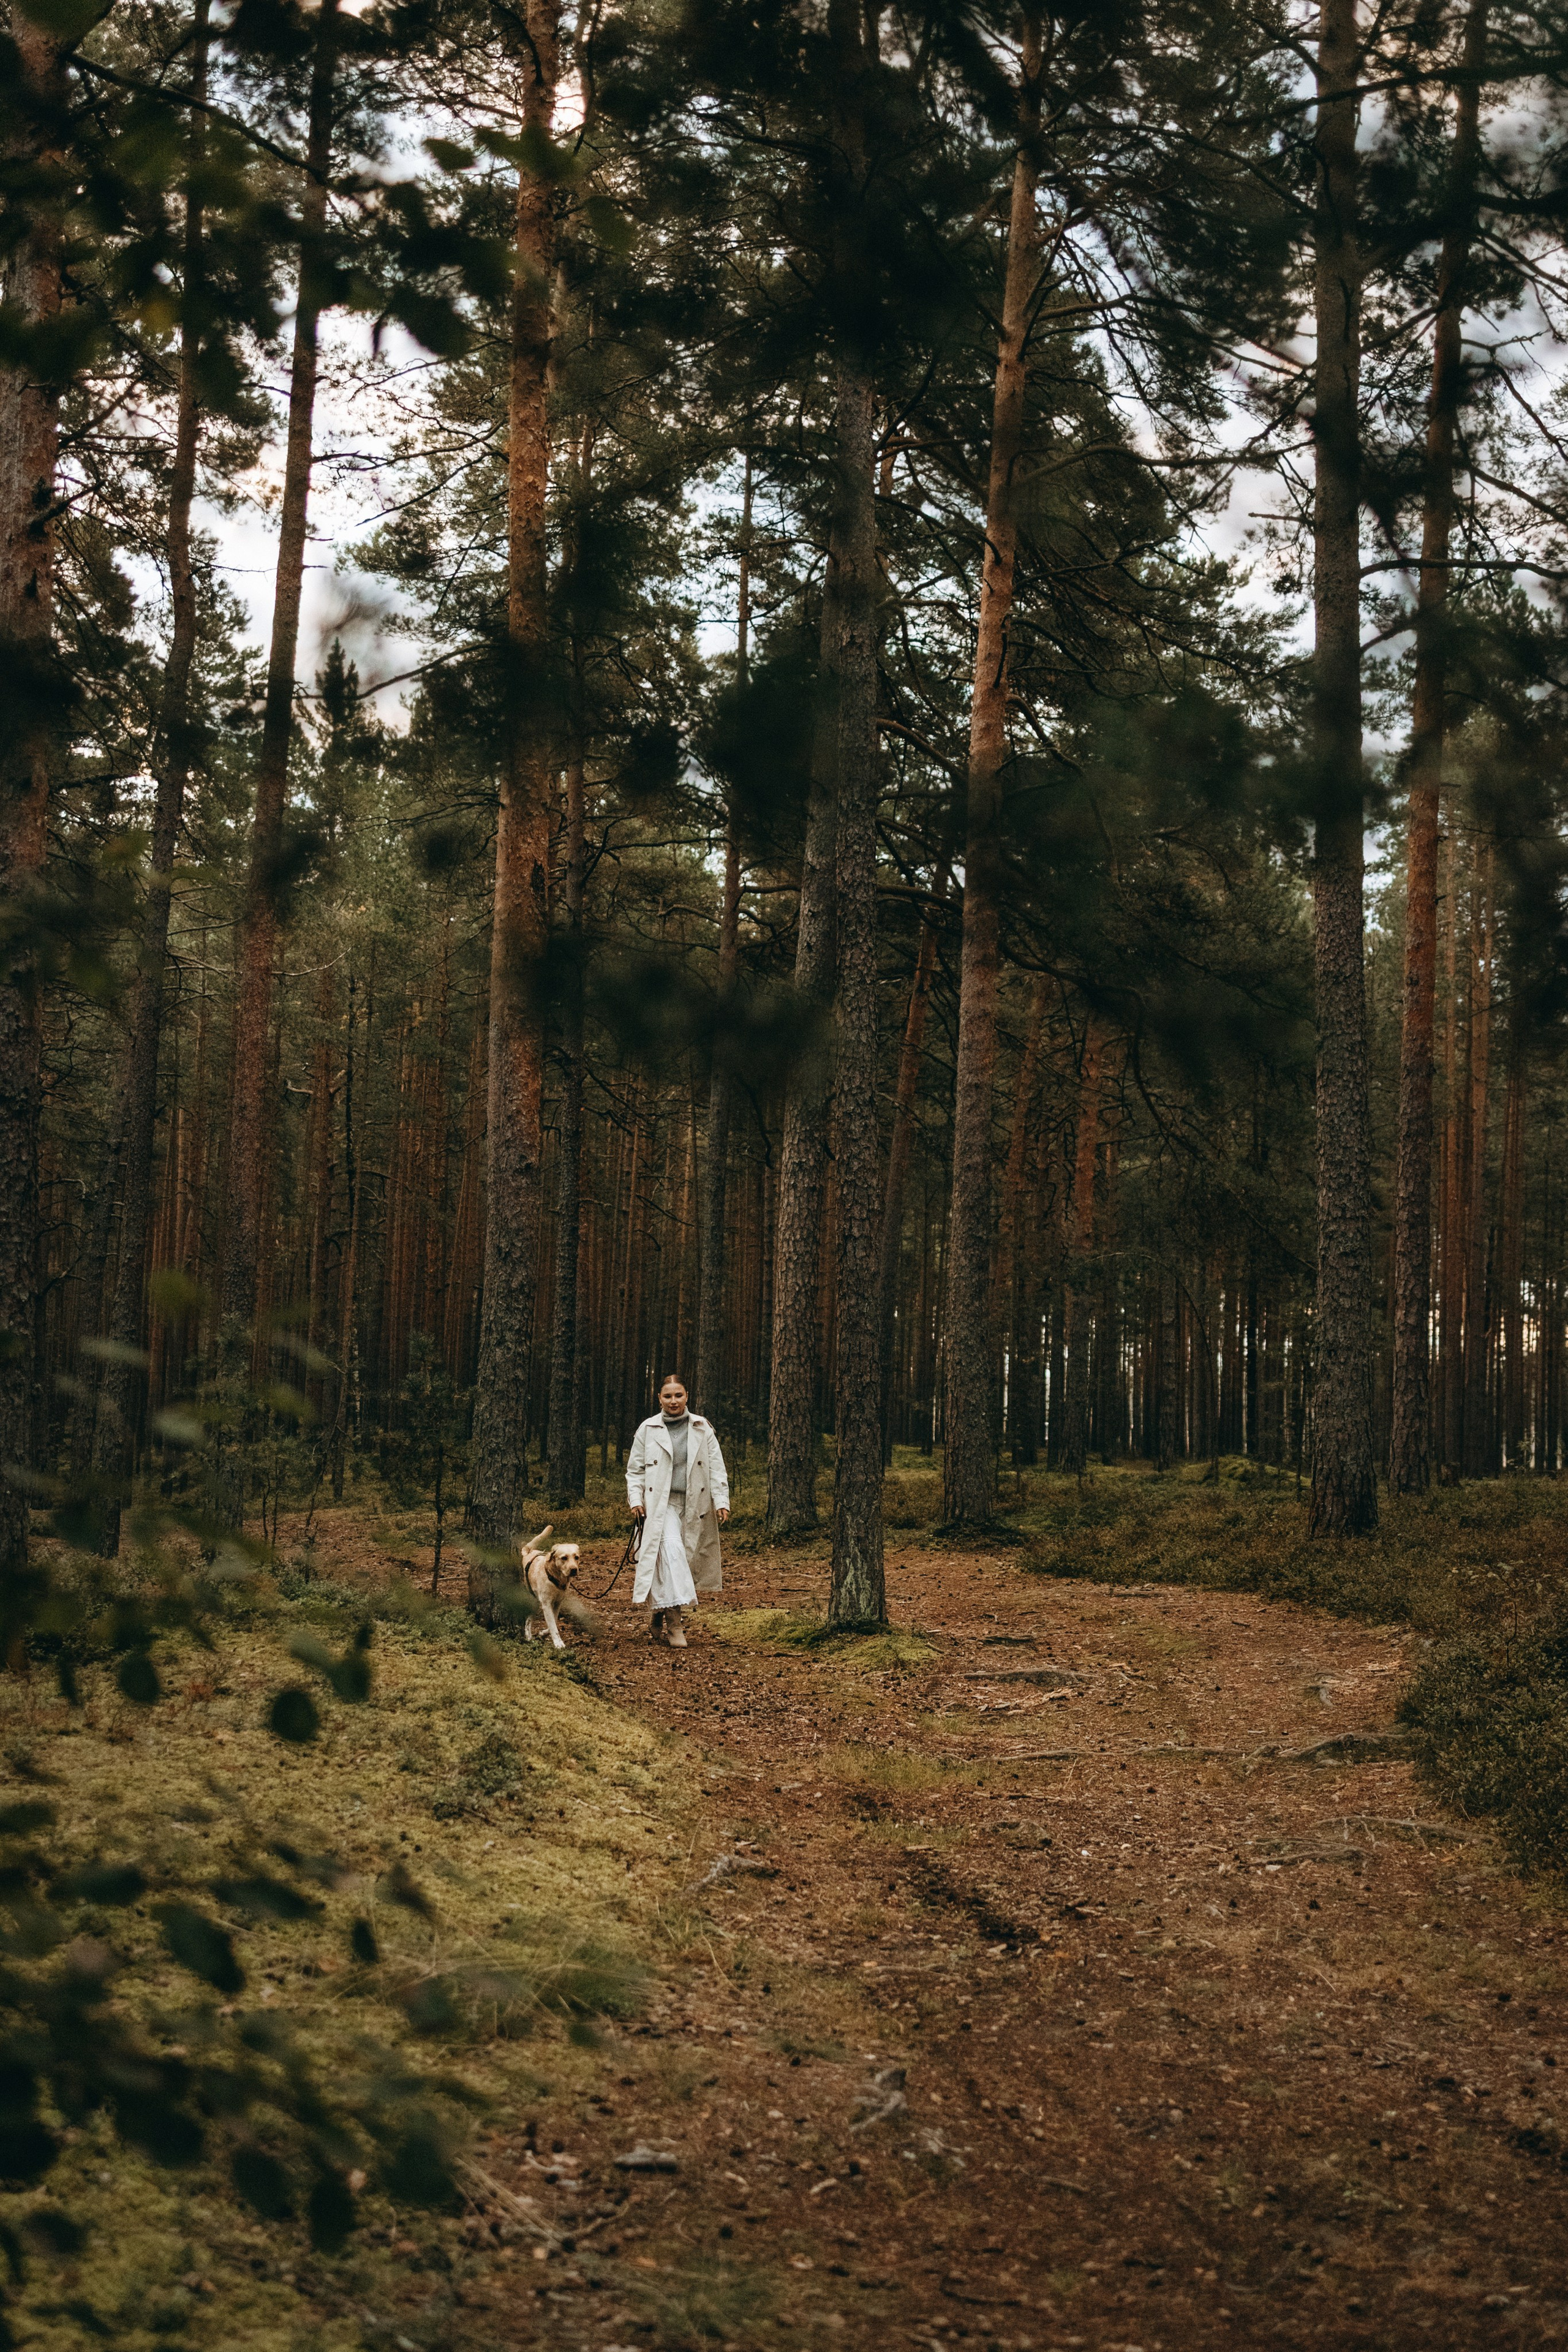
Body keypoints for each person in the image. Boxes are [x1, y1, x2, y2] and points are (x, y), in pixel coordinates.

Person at [625, 1374, 729, 1648]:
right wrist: (635, 1500)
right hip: (661, 1506)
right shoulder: (648, 1429)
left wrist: (721, 1501)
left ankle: (658, 1611)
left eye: (679, 1395)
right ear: (659, 1398)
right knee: (672, 1556)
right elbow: (635, 1470)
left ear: (687, 1397)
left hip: (695, 1505)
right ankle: (676, 1626)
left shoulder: (702, 1428)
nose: (674, 1401)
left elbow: (716, 1468)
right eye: (668, 1396)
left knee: (680, 1561)